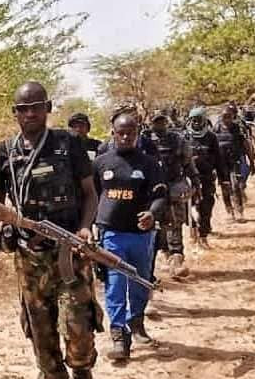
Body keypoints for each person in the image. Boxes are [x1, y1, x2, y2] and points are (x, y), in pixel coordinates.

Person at [0, 82, 102, 379]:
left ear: (47, 108)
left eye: (36, 107)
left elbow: (90, 194)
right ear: (14, 113)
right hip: (29, 257)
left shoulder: (70, 144)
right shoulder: (4, 152)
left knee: (78, 326)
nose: (29, 114)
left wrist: (84, 229)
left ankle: (81, 370)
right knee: (41, 332)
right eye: (22, 109)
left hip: (69, 253)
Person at [92, 113, 167, 358]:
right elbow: (90, 197)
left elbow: (160, 196)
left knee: (139, 281)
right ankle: (118, 336)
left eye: (130, 133)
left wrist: (152, 214)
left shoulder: (148, 163)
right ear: (113, 133)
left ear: (137, 134)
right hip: (111, 235)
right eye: (120, 132)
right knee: (115, 284)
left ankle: (137, 325)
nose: (125, 137)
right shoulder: (101, 163)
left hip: (140, 236)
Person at [147, 110, 200, 278]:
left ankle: (176, 259)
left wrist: (196, 182)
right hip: (152, 190)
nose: (160, 125)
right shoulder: (144, 140)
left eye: (162, 122)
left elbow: (188, 163)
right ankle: (165, 256)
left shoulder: (178, 140)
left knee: (175, 223)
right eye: (157, 122)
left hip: (174, 187)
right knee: (156, 225)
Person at [186, 106, 229, 247]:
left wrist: (224, 179)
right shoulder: (184, 136)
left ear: (205, 120)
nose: (197, 122)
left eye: (199, 119)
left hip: (206, 177)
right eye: (194, 119)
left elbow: (218, 159)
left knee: (206, 206)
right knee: (186, 207)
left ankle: (203, 235)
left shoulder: (211, 137)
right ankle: (193, 229)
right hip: (188, 179)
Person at [215, 106, 253, 221]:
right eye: (224, 116)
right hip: (221, 164)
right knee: (225, 188)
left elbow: (246, 145)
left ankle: (240, 212)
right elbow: (211, 148)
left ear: (232, 117)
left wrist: (251, 161)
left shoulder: (237, 129)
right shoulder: (216, 129)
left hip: (234, 162)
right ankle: (230, 213)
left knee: (236, 186)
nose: (227, 119)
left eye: (229, 116)